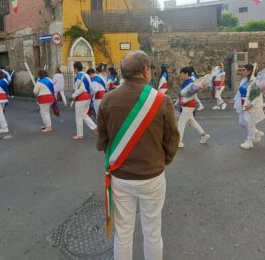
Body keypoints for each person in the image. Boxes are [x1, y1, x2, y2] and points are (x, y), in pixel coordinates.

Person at [96, 50, 180, 260]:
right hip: (152, 175)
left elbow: (101, 142)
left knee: (123, 233)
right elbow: (172, 139)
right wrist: (162, 161)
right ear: (145, 71)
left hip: (120, 176)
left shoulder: (107, 100)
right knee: (152, 231)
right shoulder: (161, 100)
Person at [234, 64, 265, 149]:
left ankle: (250, 141)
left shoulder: (254, 81)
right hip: (242, 102)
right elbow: (240, 91)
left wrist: (250, 105)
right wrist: (236, 100)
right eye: (242, 70)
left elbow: (257, 95)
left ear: (249, 71)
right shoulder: (244, 79)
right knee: (242, 122)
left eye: (244, 70)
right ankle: (257, 133)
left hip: (250, 104)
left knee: (249, 123)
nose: (242, 71)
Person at [177, 66, 210, 148]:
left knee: (181, 122)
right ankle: (204, 135)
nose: (180, 76)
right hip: (186, 105)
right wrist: (177, 102)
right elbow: (184, 94)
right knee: (192, 122)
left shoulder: (191, 83)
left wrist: (183, 101)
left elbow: (192, 96)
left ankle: (180, 141)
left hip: (188, 106)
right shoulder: (187, 82)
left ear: (186, 74)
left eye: (181, 74)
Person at [72, 61, 97, 140]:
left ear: (76, 69)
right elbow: (91, 87)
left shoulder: (79, 76)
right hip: (87, 97)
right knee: (84, 115)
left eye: (74, 69)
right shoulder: (86, 75)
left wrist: (74, 95)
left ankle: (80, 134)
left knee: (78, 117)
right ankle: (95, 127)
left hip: (81, 98)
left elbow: (81, 89)